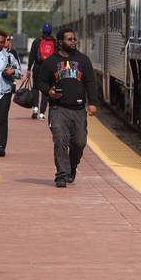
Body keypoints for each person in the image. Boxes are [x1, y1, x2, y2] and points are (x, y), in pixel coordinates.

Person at [37, 28, 98, 188]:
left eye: (74, 39)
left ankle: (71, 168)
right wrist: (49, 91)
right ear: (60, 42)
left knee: (79, 143)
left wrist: (92, 102)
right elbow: (40, 81)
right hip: (58, 109)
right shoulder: (51, 62)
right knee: (60, 141)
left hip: (78, 109)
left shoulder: (83, 60)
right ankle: (61, 175)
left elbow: (90, 82)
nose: (73, 41)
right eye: (70, 39)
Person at [27, 23, 56, 121]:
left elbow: (31, 56)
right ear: (51, 31)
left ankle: (35, 108)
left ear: (42, 31)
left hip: (38, 67)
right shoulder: (54, 42)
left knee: (35, 87)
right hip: (49, 69)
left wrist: (28, 69)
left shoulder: (37, 41)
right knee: (46, 90)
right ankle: (42, 113)